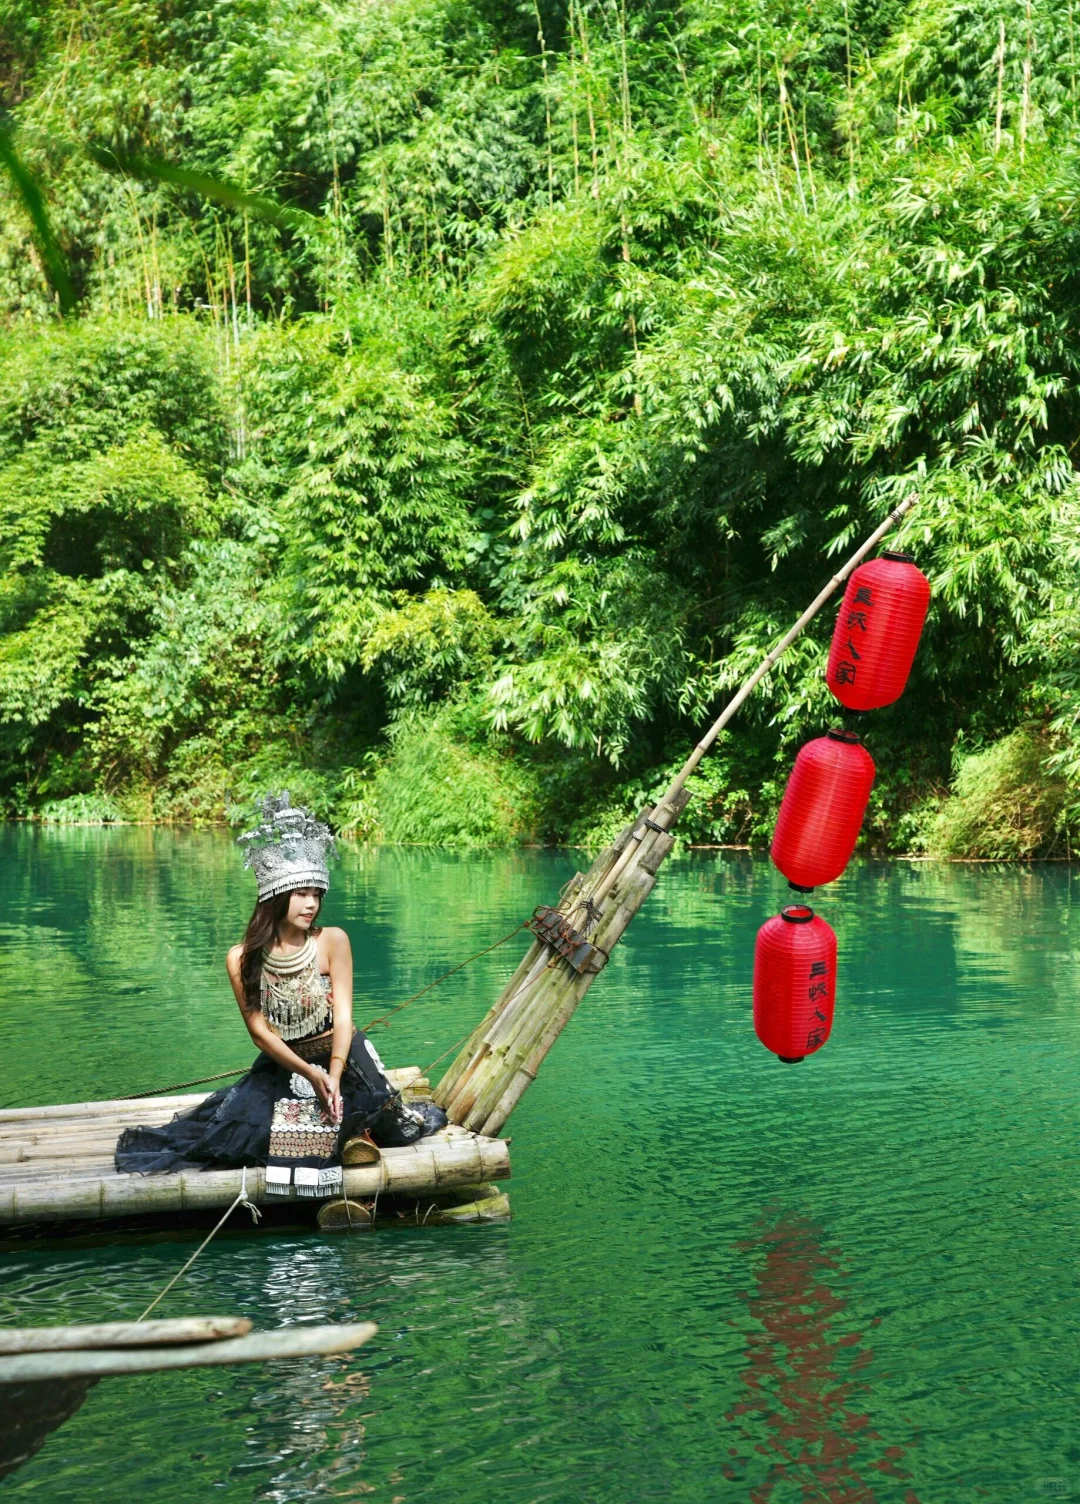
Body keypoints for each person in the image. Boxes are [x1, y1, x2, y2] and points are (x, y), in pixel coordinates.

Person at [115, 793, 446, 1198]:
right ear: (276, 896)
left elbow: (344, 1018)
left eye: (316, 894)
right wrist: (309, 1073)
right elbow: (259, 1032)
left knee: (390, 1127)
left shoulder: (333, 941)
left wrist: (333, 1075)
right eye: (301, 893)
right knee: (243, 1140)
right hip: (286, 1063)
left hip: (344, 1058)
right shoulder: (241, 958)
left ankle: (357, 1132)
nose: (311, 903)